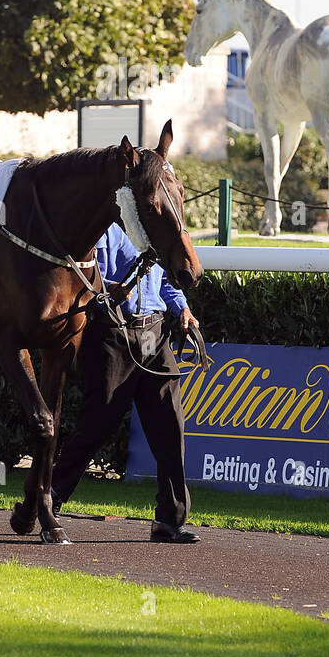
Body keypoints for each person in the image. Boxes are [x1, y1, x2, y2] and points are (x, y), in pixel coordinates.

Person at [52, 221, 202, 543]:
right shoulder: (100, 227)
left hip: (155, 334)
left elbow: (166, 281)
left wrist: (183, 310)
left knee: (169, 425)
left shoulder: (155, 233)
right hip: (112, 336)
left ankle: (170, 521)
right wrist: (109, 289)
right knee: (96, 426)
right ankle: (49, 497)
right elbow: (83, 281)